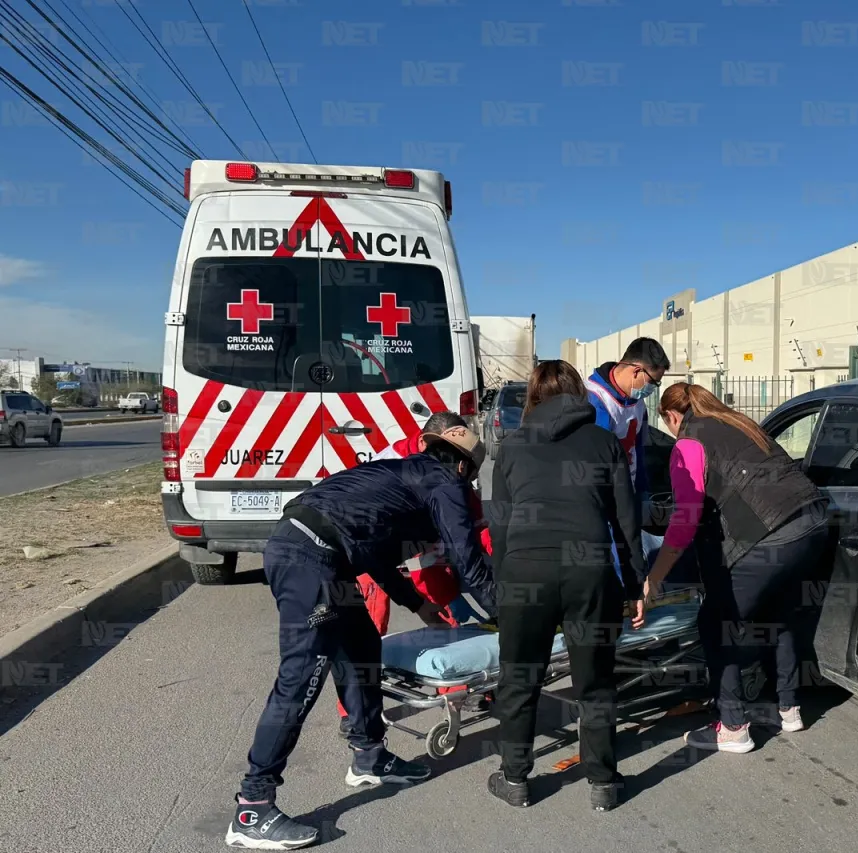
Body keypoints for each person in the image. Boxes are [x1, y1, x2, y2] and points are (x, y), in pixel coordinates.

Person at [226, 428, 498, 850]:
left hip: (324, 556)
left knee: (362, 649)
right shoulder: (446, 484)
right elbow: (468, 561)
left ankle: (369, 754)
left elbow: (373, 552)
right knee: (300, 679)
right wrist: (508, 614)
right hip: (310, 558)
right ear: (464, 467)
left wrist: (414, 603)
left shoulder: (402, 474)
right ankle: (253, 805)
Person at [487, 360, 647, 812]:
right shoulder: (603, 442)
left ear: (533, 398)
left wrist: (504, 583)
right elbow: (626, 523)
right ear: (578, 394)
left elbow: (499, 525)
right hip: (589, 571)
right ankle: (603, 783)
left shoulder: (514, 445)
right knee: (595, 681)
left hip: (526, 571)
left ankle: (515, 778)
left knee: (519, 679)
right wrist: (635, 585)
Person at [644, 382, 830, 753]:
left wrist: (655, 577)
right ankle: (787, 708)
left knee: (716, 623)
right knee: (782, 614)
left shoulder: (689, 440)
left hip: (772, 534)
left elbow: (686, 517)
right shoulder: (740, 422)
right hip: (813, 523)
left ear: (671, 416)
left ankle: (732, 726)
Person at [336, 416, 495, 734]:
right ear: (425, 441)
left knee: (448, 624)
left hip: (422, 551)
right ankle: (353, 711)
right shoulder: (391, 463)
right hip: (372, 552)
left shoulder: (451, 464)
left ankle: (458, 693)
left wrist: (498, 575)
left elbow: (475, 524)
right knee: (367, 629)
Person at [585, 337, 670, 573]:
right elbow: (597, 463)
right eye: (653, 382)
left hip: (628, 495)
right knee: (615, 568)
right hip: (603, 501)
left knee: (633, 561)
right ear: (636, 371)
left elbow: (639, 451)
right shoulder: (595, 399)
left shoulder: (637, 403)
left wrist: (642, 492)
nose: (652, 390)